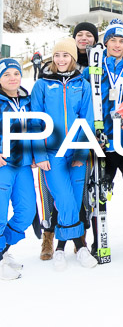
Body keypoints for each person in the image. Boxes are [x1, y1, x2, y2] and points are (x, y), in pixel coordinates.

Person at [32, 38, 97, 271]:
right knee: (65, 199)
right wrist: (39, 153)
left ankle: (71, 248)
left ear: (72, 58)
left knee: (77, 200)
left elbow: (86, 119)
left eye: (66, 55)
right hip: (52, 152)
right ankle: (70, 247)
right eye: (57, 55)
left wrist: (81, 150)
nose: (61, 59)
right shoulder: (42, 85)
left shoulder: (83, 84)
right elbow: (35, 121)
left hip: (76, 151)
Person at [83, 20, 123, 256]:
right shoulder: (93, 70)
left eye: (122, 41)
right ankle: (99, 240)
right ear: (105, 42)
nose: (117, 45)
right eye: (113, 40)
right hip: (104, 140)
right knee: (99, 190)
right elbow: (86, 105)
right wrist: (92, 132)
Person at [0, 59, 36, 280]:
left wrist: (35, 152)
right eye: (6, 74)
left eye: (16, 73)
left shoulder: (27, 99)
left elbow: (35, 128)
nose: (13, 77)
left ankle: (3, 249)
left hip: (22, 164)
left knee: (27, 212)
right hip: (3, 163)